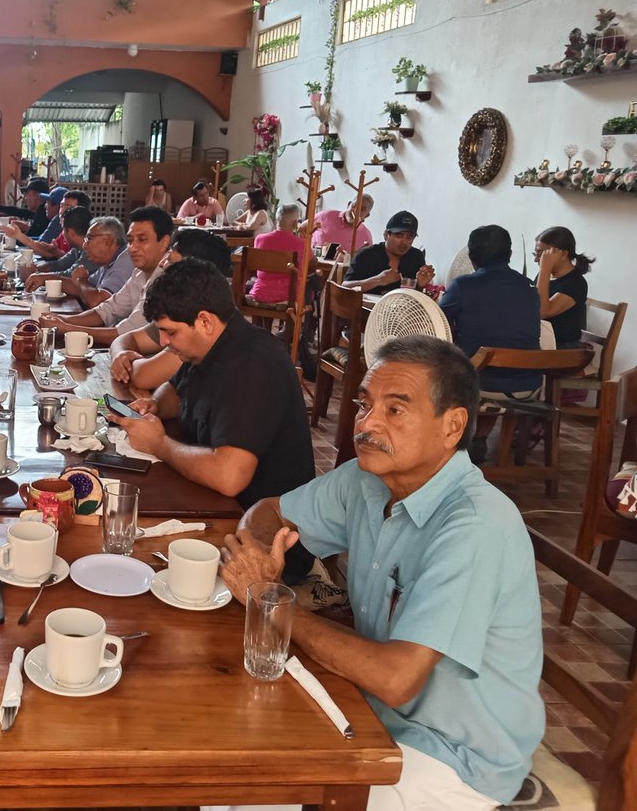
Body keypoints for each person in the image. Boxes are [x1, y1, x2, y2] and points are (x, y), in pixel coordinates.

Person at [215, 335, 543, 809]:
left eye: (395, 409)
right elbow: (269, 511)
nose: (367, 423)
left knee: (252, 789)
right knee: (230, 749)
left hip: (454, 756)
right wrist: (259, 552)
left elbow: (395, 678)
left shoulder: (474, 526)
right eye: (364, 404)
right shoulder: (368, 479)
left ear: (452, 426)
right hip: (369, 708)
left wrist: (271, 599)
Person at [107, 259, 316, 592]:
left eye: (170, 331)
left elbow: (229, 476)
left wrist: (159, 444)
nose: (164, 341)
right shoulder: (208, 347)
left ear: (204, 321)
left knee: (129, 564)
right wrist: (155, 405)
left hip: (262, 545)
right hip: (214, 506)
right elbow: (176, 390)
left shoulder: (254, 364)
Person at [110, 227, 232, 391]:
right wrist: (120, 354)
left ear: (194, 272)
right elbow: (127, 338)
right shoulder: (176, 308)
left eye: (171, 261)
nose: (162, 264)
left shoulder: (199, 318)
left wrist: (127, 363)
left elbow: (143, 376)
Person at [39, 206, 173, 346]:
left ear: (164, 242)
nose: (133, 248)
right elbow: (107, 310)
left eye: (142, 240)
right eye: (130, 240)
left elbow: (126, 333)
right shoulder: (139, 272)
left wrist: (67, 329)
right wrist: (61, 320)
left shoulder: (167, 278)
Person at [440, 225, 541, 397]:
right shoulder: (529, 286)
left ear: (471, 257)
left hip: (479, 383)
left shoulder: (463, 285)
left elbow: (436, 320)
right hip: (529, 386)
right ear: (510, 254)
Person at [41, 216, 132, 309]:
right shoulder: (107, 262)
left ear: (108, 241)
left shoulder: (125, 262)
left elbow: (97, 302)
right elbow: (80, 288)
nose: (84, 245)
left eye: (89, 239)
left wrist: (82, 281)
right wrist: (44, 279)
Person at [343, 211, 435, 295]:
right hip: (366, 307)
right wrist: (377, 280)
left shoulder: (416, 257)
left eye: (409, 237)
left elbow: (415, 296)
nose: (404, 242)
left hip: (400, 307)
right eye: (399, 236)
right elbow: (345, 288)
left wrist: (420, 285)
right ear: (386, 235)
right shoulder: (366, 254)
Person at [533, 225, 592, 348]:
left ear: (564, 254)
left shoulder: (576, 283)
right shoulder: (546, 275)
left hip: (561, 346)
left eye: (542, 254)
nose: (537, 259)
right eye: (536, 253)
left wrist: (545, 268)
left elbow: (542, 312)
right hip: (540, 340)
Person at [246, 201, 307, 306]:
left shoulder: (259, 239)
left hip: (260, 294)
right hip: (288, 296)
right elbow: (312, 262)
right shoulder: (301, 244)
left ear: (276, 220)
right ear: (295, 223)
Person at [24, 205, 95, 287]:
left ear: (71, 232)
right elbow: (58, 264)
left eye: (63, 230)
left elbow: (70, 275)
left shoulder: (91, 251)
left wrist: (44, 277)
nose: (63, 234)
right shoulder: (77, 249)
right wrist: (37, 268)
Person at [1, 186, 67, 259]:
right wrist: (18, 236)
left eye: (48, 203)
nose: (45, 206)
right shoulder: (55, 219)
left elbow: (42, 244)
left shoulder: (58, 221)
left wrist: (17, 237)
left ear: (57, 206)